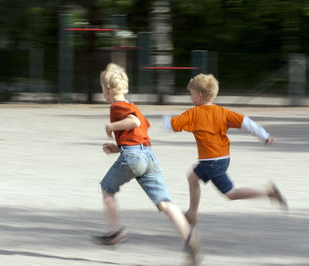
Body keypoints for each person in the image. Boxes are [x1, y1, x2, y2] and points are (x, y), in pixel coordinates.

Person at [93, 63, 200, 263]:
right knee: (165, 202)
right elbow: (137, 134)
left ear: (107, 90)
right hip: (148, 156)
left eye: (102, 89)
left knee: (107, 188)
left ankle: (114, 232)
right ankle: (189, 236)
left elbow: (134, 123)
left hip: (133, 157)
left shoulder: (117, 106)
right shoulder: (133, 105)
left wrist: (111, 126)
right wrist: (117, 147)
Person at [163, 73, 288, 226]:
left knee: (230, 194)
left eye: (192, 94)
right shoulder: (222, 112)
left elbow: (172, 124)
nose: (191, 98)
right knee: (192, 177)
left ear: (200, 96)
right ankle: (191, 214)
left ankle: (268, 192)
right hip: (222, 158)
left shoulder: (194, 114)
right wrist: (264, 135)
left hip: (211, 162)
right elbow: (245, 122)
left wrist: (157, 121)